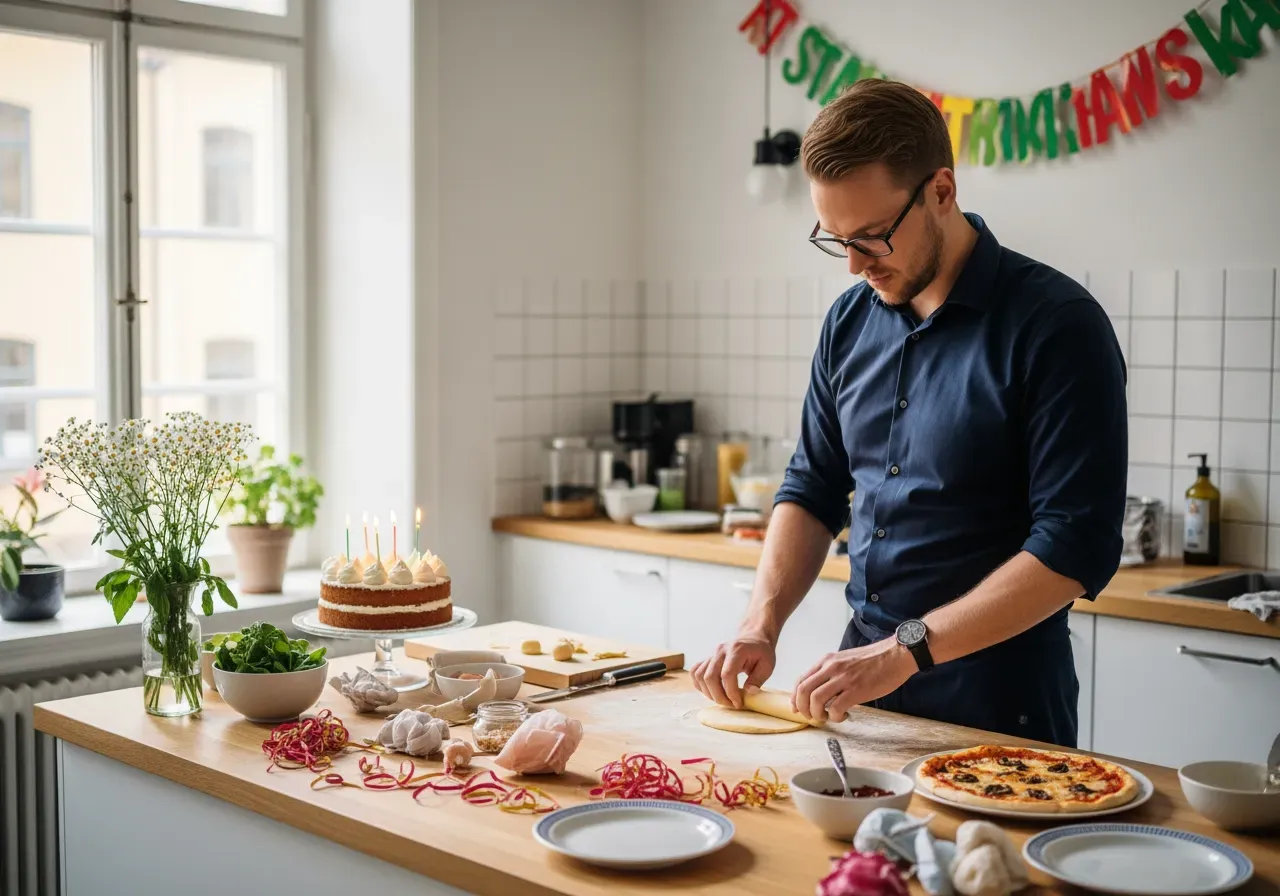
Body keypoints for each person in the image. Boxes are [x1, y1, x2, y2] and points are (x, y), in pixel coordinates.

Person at [691, 80, 1127, 747]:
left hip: (1001, 713)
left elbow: (1073, 546)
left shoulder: (1058, 326)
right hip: (859, 699)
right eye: (835, 239)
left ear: (942, 193)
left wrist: (903, 650)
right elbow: (812, 487)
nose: (854, 266)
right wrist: (762, 624)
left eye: (871, 237)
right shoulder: (849, 321)